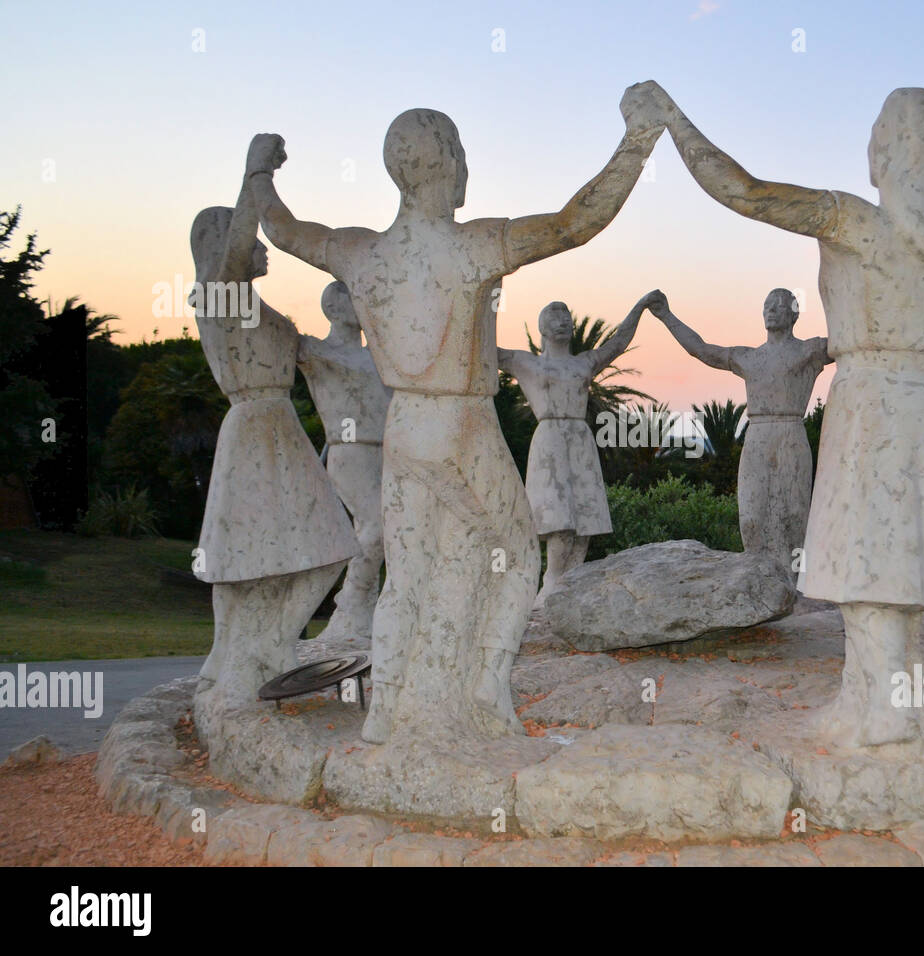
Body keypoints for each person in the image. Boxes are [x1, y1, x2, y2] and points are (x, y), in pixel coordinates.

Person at [636, 81, 924, 746]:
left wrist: (670, 119)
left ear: (882, 151)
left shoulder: (851, 218)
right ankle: (895, 694)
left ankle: (878, 709)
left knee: (868, 550)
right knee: (904, 550)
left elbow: (740, 190)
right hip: (923, 399)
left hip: (867, 398)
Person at [243, 85, 664, 743]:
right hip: (462, 423)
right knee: (520, 555)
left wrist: (258, 171)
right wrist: (638, 140)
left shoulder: (359, 251)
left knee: (405, 579)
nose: (468, 167)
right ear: (447, 162)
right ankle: (487, 690)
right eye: (462, 154)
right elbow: (577, 221)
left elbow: (283, 228)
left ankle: (387, 715)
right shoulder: (475, 246)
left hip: (403, 430)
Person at [189, 183, 355, 724]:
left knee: (322, 547)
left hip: (277, 428)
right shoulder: (220, 294)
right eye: (251, 238)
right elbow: (236, 258)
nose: (262, 249)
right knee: (256, 557)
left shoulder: (252, 304)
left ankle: (248, 652)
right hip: (257, 428)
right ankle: (252, 654)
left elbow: (323, 355)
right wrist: (254, 174)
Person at [650, 288, 830, 575]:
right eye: (767, 306)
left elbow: (851, 341)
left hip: (791, 434)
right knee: (751, 518)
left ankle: (798, 583)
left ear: (794, 314)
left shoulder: (810, 350)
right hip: (757, 436)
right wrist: (666, 316)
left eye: (778, 305)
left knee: (795, 518)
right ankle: (757, 579)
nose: (770, 310)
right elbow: (701, 349)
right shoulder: (749, 357)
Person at [500, 293, 661, 605]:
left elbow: (617, 343)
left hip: (580, 438)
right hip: (549, 439)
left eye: (565, 316)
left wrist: (639, 306)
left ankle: (570, 585)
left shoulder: (583, 363)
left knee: (585, 520)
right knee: (560, 521)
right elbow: (484, 350)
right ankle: (551, 584)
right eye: (553, 316)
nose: (561, 321)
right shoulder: (526, 362)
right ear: (541, 328)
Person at [296, 281, 392, 645]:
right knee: (377, 528)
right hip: (351, 451)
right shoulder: (315, 350)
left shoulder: (381, 356)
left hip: (392, 450)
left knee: (393, 534)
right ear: (333, 309)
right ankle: (350, 603)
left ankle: (369, 615)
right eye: (355, 298)